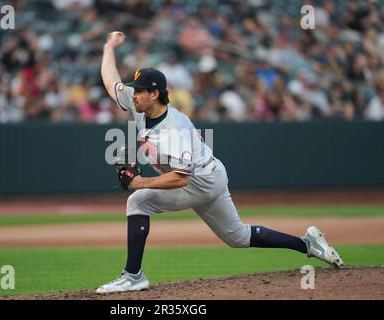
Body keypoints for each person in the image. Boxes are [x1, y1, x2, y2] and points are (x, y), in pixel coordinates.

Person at [97, 31, 343, 294]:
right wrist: (109, 47)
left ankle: (133, 275)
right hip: (211, 175)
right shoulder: (140, 106)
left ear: (154, 94)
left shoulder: (175, 128)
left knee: (138, 200)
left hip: (200, 180)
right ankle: (308, 244)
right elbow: (111, 81)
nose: (132, 95)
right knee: (238, 237)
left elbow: (181, 178)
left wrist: (140, 182)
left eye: (139, 91)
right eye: (133, 91)